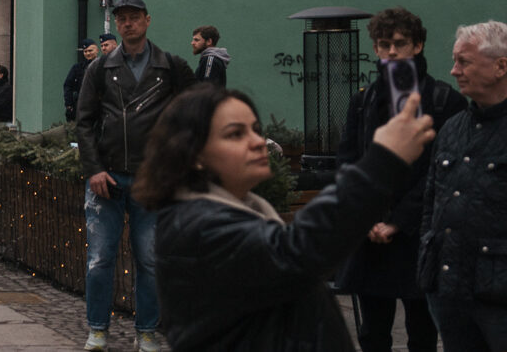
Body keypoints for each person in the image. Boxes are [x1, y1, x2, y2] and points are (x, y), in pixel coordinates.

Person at [141, 85, 436, 351]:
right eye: (235, 134)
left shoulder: (239, 211)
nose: (258, 141)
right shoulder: (197, 226)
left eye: (256, 129)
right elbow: (297, 252)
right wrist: (382, 161)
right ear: (194, 154)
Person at [334, 6, 462, 352]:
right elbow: (347, 162)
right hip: (370, 235)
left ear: (417, 46)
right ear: (374, 48)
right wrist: (367, 217)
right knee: (372, 333)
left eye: (400, 44)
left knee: (422, 332)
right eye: (383, 44)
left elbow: (442, 173)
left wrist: (397, 222)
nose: (391, 52)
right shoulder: (364, 100)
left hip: (419, 236)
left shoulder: (444, 100)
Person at [75, 0, 195, 352]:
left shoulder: (170, 67)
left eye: (134, 17)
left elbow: (195, 115)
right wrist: (93, 169)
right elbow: (83, 122)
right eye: (122, 18)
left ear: (147, 20)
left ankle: (146, 333)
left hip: (151, 181)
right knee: (99, 261)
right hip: (107, 178)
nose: (128, 23)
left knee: (151, 261)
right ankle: (97, 329)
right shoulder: (100, 68)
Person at [420, 20, 507, 351]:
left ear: (501, 66)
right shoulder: (454, 128)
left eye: (464, 61)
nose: (454, 71)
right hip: (450, 292)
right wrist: (427, 266)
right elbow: (433, 202)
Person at [63, 40, 104, 123]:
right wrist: (69, 104)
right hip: (80, 106)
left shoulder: (103, 66)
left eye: (90, 50)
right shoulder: (77, 68)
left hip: (98, 108)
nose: (88, 53)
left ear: (97, 50)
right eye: (85, 51)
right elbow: (67, 85)